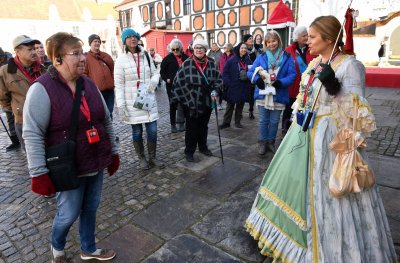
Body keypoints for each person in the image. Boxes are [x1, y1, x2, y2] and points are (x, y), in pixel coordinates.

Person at [245, 16, 398, 262]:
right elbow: (305, 96)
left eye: (313, 37)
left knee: (330, 195)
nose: (307, 40)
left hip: (331, 141)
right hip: (304, 133)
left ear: (329, 39)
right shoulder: (315, 62)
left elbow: (361, 117)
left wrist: (335, 87)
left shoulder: (351, 66)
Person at [23, 32, 120, 263]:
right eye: (75, 54)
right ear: (57, 59)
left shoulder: (88, 83)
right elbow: (32, 134)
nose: (83, 58)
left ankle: (88, 248)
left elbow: (105, 119)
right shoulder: (41, 88)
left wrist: (114, 152)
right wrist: (39, 174)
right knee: (68, 214)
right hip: (68, 167)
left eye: (81, 52)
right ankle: (57, 247)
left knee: (91, 208)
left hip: (95, 159)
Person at [114, 28, 164, 170]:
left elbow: (155, 73)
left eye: (134, 36)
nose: (132, 39)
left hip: (147, 98)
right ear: (124, 41)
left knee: (153, 130)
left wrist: (153, 82)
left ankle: (153, 157)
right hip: (132, 103)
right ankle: (142, 157)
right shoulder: (120, 60)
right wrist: (121, 104)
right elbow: (119, 84)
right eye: (128, 37)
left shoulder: (146, 56)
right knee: (137, 132)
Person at [172, 39, 222, 162]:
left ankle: (203, 147)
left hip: (206, 101)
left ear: (205, 50)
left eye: (201, 48)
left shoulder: (211, 63)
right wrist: (187, 98)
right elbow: (178, 82)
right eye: (196, 48)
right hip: (191, 101)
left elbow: (218, 80)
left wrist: (215, 90)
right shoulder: (187, 64)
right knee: (191, 128)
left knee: (203, 126)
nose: (199, 50)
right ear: (193, 50)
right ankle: (189, 151)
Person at [248, 30, 296, 155]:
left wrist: (281, 82)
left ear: (278, 41)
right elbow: (250, 72)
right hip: (263, 93)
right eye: (268, 42)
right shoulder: (261, 57)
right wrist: (257, 80)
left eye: (273, 41)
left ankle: (271, 142)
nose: (271, 44)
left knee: (275, 121)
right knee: (263, 120)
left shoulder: (286, 57)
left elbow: (292, 74)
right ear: (265, 43)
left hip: (278, 94)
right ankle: (262, 142)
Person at [0, 35, 46, 151]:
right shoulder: (5, 71)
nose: (34, 52)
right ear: (18, 52)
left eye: (34, 49)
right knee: (32, 155)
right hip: (23, 122)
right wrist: (18, 110)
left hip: (45, 118)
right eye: (30, 49)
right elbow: (3, 97)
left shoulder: (42, 68)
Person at [283, 26, 316, 136]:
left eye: (307, 35)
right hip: (293, 86)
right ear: (297, 38)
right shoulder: (288, 50)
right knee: (289, 108)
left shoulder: (312, 49)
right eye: (304, 35)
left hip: (308, 86)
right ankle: (285, 128)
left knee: (304, 107)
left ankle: (300, 128)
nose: (307, 37)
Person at [219, 42, 252, 129]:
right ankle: (226, 122)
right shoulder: (232, 60)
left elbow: (252, 72)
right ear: (238, 49)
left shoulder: (248, 61)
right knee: (230, 105)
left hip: (243, 86)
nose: (244, 49)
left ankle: (238, 122)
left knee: (240, 105)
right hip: (233, 86)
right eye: (242, 48)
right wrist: (228, 83)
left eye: (245, 48)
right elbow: (225, 73)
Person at [160, 39, 189, 133]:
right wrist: (167, 79)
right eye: (173, 49)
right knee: (173, 105)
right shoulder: (167, 59)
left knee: (184, 104)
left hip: (184, 86)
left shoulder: (186, 58)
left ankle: (182, 123)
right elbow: (162, 72)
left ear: (181, 48)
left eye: (177, 49)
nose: (175, 51)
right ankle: (173, 124)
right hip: (171, 86)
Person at [84, 34, 115, 120]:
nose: (97, 43)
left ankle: (109, 131)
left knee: (109, 112)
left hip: (110, 91)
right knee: (100, 113)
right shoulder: (86, 58)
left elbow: (113, 70)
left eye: (98, 41)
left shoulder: (106, 56)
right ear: (90, 43)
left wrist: (113, 82)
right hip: (97, 92)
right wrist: (90, 87)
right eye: (95, 41)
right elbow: (84, 74)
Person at [0, 47, 21, 151]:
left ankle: (19, 139)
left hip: (13, 95)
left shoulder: (10, 63)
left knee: (15, 119)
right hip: (4, 94)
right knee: (10, 119)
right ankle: (15, 140)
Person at [243, 34, 257, 119]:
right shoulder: (243, 50)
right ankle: (239, 112)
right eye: (249, 39)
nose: (252, 40)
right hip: (245, 75)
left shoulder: (255, 51)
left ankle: (251, 111)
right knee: (243, 94)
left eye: (252, 38)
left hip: (253, 75)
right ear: (245, 41)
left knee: (252, 95)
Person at [217, 43, 234, 110]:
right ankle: (220, 104)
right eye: (224, 48)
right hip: (222, 76)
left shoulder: (233, 56)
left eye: (225, 47)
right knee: (221, 91)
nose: (224, 49)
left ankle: (230, 104)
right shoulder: (222, 56)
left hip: (230, 76)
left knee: (230, 90)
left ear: (229, 48)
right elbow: (219, 65)